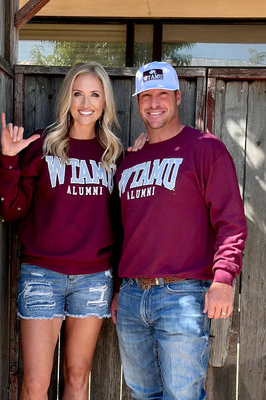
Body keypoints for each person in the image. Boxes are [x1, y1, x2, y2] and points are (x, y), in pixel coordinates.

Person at [111, 61, 247, 400]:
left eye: (162, 95)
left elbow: (230, 220)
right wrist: (118, 289)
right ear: (138, 101)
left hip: (182, 296)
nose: (154, 103)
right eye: (146, 96)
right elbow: (122, 232)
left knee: (183, 395)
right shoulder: (129, 161)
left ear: (177, 96)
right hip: (131, 296)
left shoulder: (205, 148)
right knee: (143, 393)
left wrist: (223, 279)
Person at [0, 61, 125, 400]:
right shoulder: (42, 147)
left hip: (95, 278)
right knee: (35, 384)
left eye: (95, 95)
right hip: (42, 275)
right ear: (67, 97)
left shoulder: (114, 155)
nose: (85, 103)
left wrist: (119, 283)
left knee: (78, 377)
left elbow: (124, 224)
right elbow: (12, 209)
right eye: (78, 94)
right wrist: (9, 160)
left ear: (104, 102)